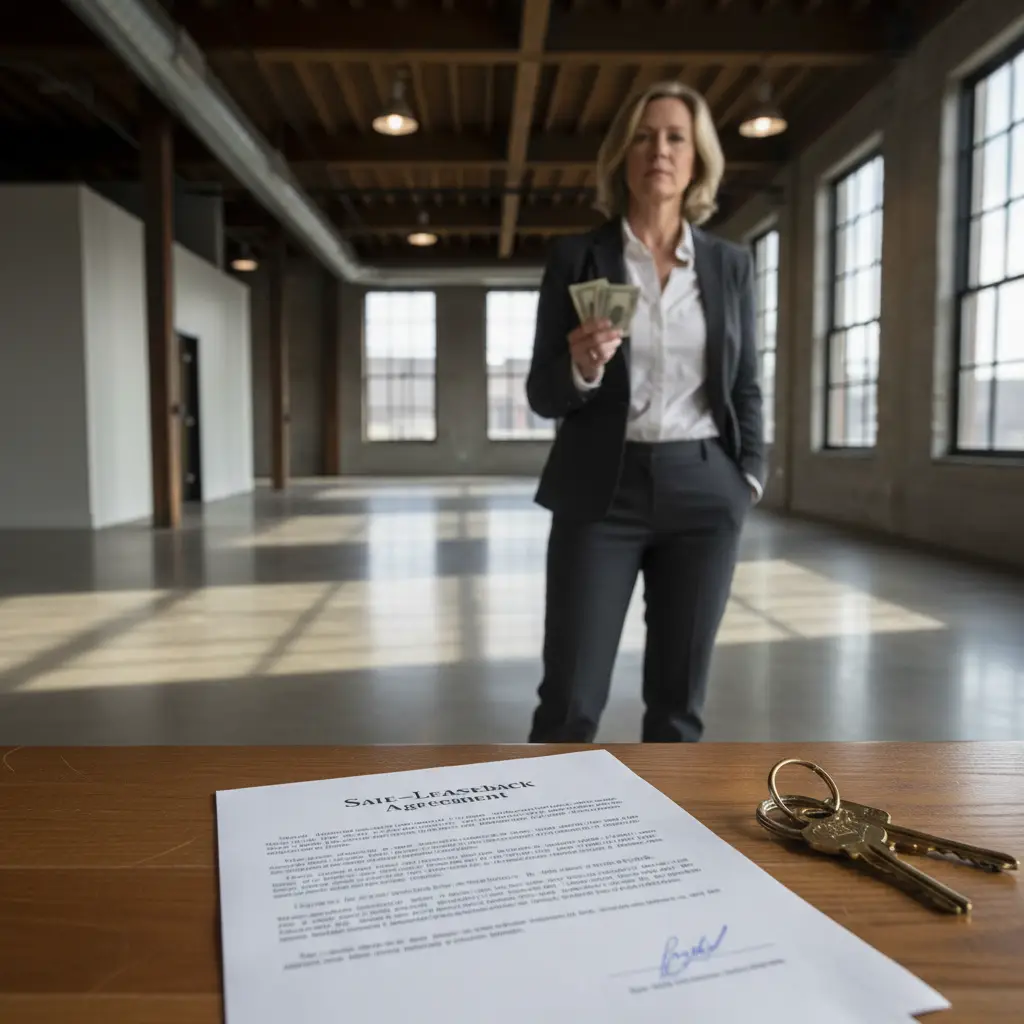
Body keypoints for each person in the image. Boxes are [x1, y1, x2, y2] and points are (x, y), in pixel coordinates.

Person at [525, 80, 764, 744]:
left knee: (678, 708)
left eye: (675, 136)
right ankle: (548, 841)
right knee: (569, 700)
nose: (659, 149)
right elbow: (544, 393)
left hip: (705, 488)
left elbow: (746, 382)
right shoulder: (578, 258)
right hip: (600, 490)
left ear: (697, 160)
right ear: (621, 155)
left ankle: (666, 843)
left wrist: (746, 479)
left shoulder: (730, 265)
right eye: (643, 135)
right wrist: (584, 366)